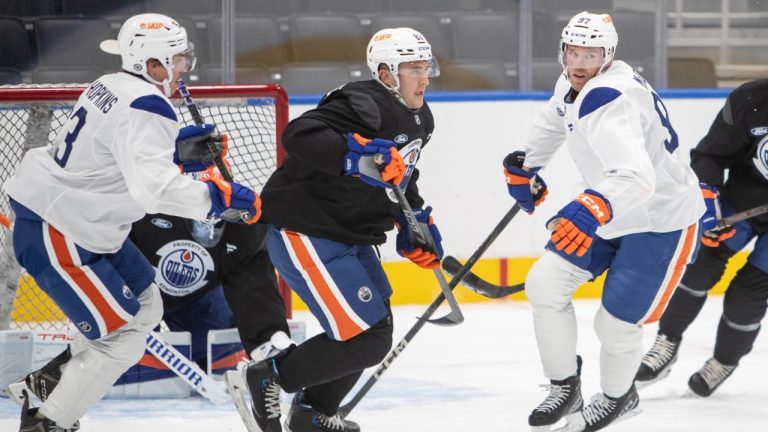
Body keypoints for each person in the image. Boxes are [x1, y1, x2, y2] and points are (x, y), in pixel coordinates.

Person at [3, 13, 260, 431]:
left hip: (87, 224)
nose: (185, 68)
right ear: (151, 64)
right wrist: (216, 199)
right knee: (121, 338)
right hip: (61, 230)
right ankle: (48, 422)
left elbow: (110, 152)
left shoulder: (109, 84)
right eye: (178, 59)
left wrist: (177, 153)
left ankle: (47, 382)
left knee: (145, 305)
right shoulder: (149, 104)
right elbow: (153, 192)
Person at [233, 27, 442, 432]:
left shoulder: (421, 117)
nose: (425, 77)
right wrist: (358, 156)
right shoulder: (362, 102)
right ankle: (269, 374)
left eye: (426, 66)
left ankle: (313, 413)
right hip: (307, 230)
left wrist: (415, 222)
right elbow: (298, 135)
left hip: (350, 234)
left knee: (376, 326)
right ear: (386, 74)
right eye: (414, 68)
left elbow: (401, 178)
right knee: (367, 337)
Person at [504, 11, 705, 432]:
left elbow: (636, 177)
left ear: (608, 55)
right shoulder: (574, 82)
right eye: (572, 52)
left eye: (590, 54)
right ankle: (565, 385)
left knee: (614, 326)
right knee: (545, 284)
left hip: (659, 221)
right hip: (614, 209)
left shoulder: (609, 95)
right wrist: (528, 165)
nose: (578, 63)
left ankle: (619, 398)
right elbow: (554, 121)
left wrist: (589, 207)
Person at [635, 79, 768, 397]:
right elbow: (710, 155)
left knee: (748, 295)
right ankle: (667, 340)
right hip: (740, 204)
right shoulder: (750, 100)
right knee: (699, 265)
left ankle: (724, 360)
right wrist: (708, 199)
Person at [128, 158, 291, 370]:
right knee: (120, 357)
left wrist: (268, 340)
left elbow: (254, 287)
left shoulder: (244, 227)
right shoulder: (145, 208)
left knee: (220, 362)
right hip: (138, 296)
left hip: (197, 303)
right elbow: (112, 258)